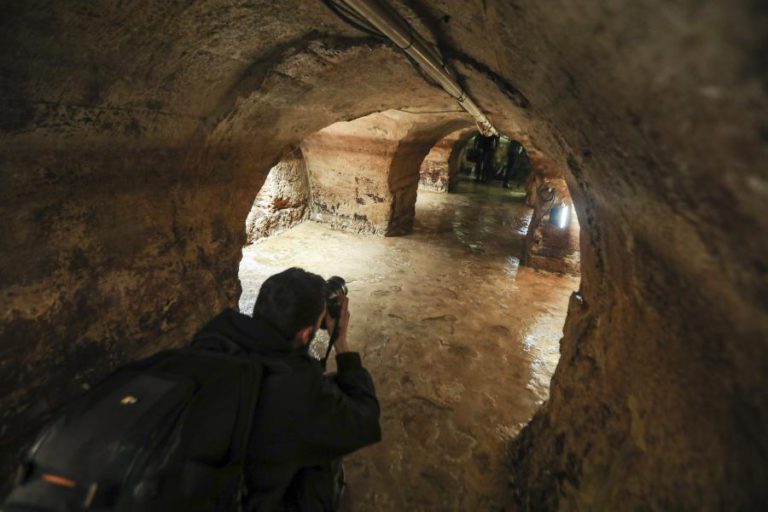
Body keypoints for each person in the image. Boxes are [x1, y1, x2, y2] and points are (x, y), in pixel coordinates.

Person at [191, 267, 381, 511]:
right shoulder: (297, 389)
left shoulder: (213, 337)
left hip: (193, 486)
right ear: (306, 334)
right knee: (322, 459)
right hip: (245, 501)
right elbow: (365, 419)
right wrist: (341, 343)